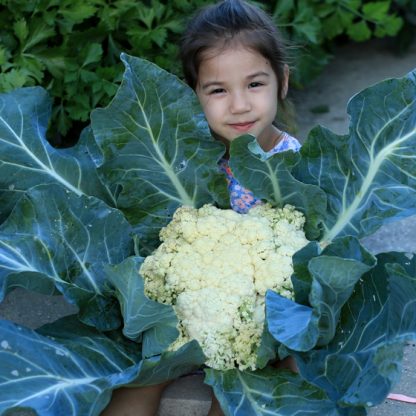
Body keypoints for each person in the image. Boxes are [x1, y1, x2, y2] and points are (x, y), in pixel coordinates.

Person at [102, 1, 298, 415]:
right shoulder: (180, 162)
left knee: (238, 396)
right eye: (218, 90)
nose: (240, 105)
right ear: (193, 94)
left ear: (282, 81)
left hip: (260, 332)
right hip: (182, 323)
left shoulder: (298, 165)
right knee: (134, 388)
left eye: (255, 84)